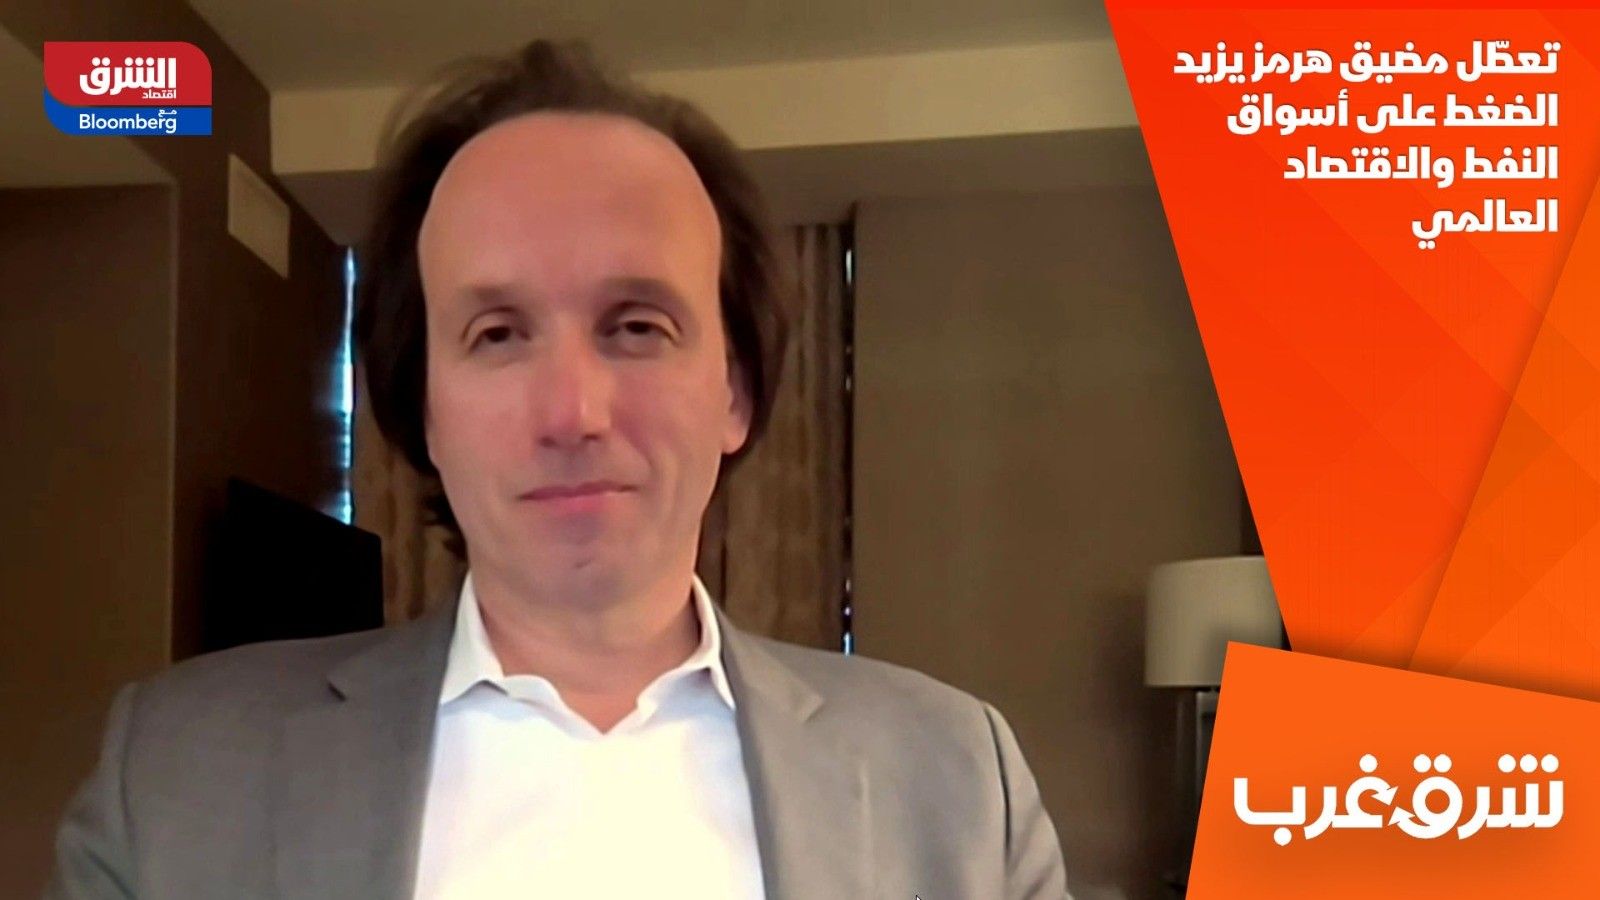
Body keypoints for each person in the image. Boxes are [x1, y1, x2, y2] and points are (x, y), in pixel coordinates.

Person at [47, 40, 1070, 900]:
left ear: (735, 390)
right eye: (497, 334)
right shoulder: (173, 773)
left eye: (636, 326)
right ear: (422, 407)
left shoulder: (958, 780)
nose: (572, 413)